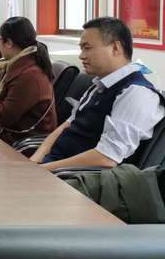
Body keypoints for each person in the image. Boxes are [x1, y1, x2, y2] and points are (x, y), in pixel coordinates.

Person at [31, 17, 165, 171]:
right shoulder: (99, 84)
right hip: (53, 168)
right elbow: (68, 125)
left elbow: (106, 158)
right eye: (81, 48)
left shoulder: (136, 93)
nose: (82, 55)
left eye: (87, 48)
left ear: (115, 48)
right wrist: (34, 161)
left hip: (73, 177)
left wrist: (43, 170)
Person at [0, 16, 58, 143]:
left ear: (8, 43)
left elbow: (4, 116)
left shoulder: (30, 74)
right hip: (12, 132)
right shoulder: (19, 63)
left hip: (24, 140)